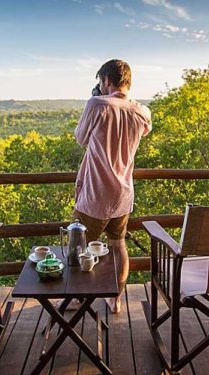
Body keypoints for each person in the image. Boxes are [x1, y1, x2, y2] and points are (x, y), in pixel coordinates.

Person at [74, 59, 152, 313]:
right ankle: (115, 298)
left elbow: (80, 138)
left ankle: (76, 297)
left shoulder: (96, 104)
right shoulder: (142, 112)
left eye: (100, 83)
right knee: (119, 245)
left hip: (96, 193)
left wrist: (96, 98)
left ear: (106, 80)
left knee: (79, 246)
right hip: (123, 193)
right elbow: (144, 131)